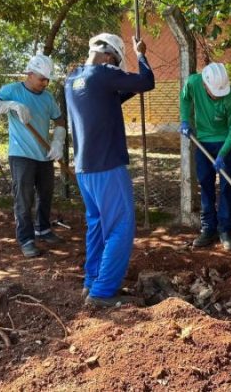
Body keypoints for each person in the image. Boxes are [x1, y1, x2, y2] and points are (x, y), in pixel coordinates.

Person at [65, 33, 155, 307]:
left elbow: (113, 97)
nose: (116, 66)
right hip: (107, 166)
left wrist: (127, 83)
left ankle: (91, 282)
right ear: (106, 56)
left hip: (84, 169)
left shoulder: (72, 80)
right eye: (116, 61)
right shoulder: (103, 74)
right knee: (120, 227)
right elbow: (147, 82)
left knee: (96, 225)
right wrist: (141, 54)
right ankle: (103, 292)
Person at [0, 53, 67, 258]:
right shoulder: (12, 90)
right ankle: (26, 239)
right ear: (30, 74)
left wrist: (58, 142)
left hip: (44, 154)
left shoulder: (47, 98)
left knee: (45, 194)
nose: (45, 83)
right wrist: (10, 105)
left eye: (47, 79)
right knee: (24, 198)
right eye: (41, 79)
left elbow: (60, 121)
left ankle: (43, 229)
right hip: (21, 155)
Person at [179, 62, 231, 251]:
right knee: (205, 184)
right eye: (213, 91)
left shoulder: (230, 96)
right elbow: (185, 98)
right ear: (205, 84)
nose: (217, 95)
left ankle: (225, 230)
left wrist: (223, 154)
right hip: (203, 141)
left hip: (225, 143)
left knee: (226, 187)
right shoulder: (193, 82)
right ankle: (208, 229)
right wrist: (184, 119)